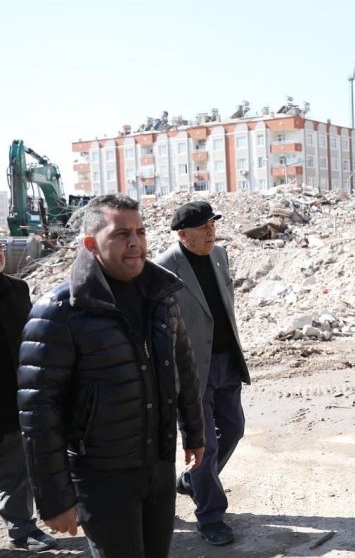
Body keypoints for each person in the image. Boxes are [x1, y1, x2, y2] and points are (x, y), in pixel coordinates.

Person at [17, 194, 205, 558]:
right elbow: (39, 413)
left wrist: (194, 433)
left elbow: (183, 366)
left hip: (157, 466)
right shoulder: (59, 312)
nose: (135, 242)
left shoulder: (160, 295)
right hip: (102, 476)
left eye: (140, 232)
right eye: (121, 234)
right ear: (91, 244)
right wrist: (55, 498)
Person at [156, 201, 250, 547]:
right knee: (205, 445)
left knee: (235, 429)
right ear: (182, 235)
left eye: (212, 224)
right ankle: (210, 516)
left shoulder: (220, 254)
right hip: (192, 369)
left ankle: (194, 482)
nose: (211, 231)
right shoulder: (164, 267)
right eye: (202, 228)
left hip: (226, 361)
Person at [0, 243, 56, 552]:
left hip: (13, 396)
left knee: (17, 469)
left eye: (0, 247)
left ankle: (21, 528)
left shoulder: (18, 289)